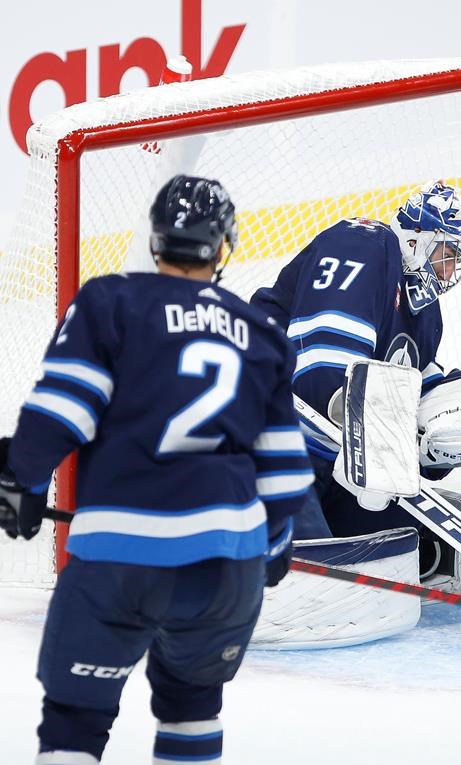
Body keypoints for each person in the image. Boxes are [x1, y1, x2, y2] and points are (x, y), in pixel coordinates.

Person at [0, 175, 313, 762]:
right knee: (194, 705)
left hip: (119, 558)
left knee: (75, 719)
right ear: (224, 246)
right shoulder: (261, 334)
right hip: (226, 566)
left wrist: (22, 481)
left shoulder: (110, 301)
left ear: (157, 241)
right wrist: (271, 550)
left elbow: (60, 410)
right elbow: (286, 479)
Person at [250, 180, 461, 584]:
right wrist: (379, 439)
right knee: (314, 572)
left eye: (458, 261)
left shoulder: (425, 315)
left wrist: (449, 437)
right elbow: (320, 382)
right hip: (263, 434)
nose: (449, 271)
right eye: (446, 255)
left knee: (417, 543)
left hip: (327, 457)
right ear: (416, 239)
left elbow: (420, 397)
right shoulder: (363, 244)